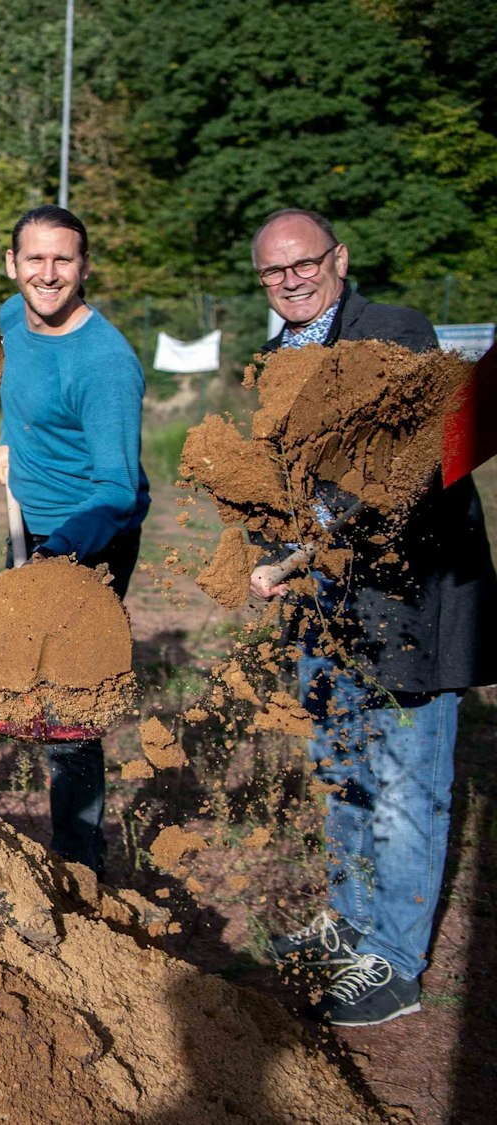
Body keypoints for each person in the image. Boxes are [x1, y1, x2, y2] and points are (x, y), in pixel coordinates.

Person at [247, 208, 497, 1026]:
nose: (291, 278)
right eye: (273, 271)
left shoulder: (395, 331)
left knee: (403, 788)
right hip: (327, 615)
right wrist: (265, 543)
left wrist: (304, 540)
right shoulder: (273, 359)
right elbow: (270, 482)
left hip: (407, 609)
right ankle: (350, 925)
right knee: (346, 775)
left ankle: (394, 962)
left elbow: (396, 465)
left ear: (339, 259)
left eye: (304, 262)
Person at [0, 204, 150, 875]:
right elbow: (19, 390)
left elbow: (117, 489)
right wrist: (10, 441)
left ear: (84, 268)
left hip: (93, 538)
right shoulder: (5, 318)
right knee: (19, 680)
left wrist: (59, 555)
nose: (47, 273)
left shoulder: (107, 363)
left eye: (63, 260)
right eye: (35, 259)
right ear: (12, 264)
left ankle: (79, 861)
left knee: (68, 713)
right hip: (29, 520)